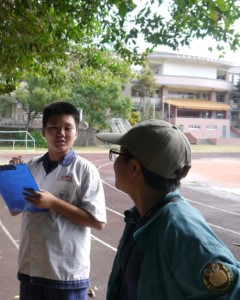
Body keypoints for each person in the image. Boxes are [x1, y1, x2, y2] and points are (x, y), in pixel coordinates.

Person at [96, 119, 240, 299]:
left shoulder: (180, 231)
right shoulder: (142, 215)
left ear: (134, 167)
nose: (115, 161)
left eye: (117, 154)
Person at [13, 101, 107, 300]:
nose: (60, 133)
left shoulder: (85, 170)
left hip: (66, 273)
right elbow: (15, 209)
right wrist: (13, 177)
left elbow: (97, 221)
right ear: (43, 131)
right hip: (31, 267)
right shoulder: (31, 165)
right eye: (53, 128)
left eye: (67, 128)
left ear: (76, 132)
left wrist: (54, 203)